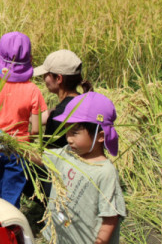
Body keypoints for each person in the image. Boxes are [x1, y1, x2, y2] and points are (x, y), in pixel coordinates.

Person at [32, 92, 126, 243]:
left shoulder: (105, 172)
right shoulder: (67, 153)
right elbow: (42, 158)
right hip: (59, 236)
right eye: (67, 131)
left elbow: (110, 217)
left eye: (75, 133)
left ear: (100, 136)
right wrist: (16, 149)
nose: (69, 138)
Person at [0, 31, 48, 208]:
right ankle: (10, 229)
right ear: (30, 59)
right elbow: (35, 129)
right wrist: (30, 144)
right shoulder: (33, 90)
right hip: (18, 151)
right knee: (11, 196)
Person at [23, 49, 93, 201]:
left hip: (66, 180)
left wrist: (19, 150)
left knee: (20, 166)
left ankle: (49, 205)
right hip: (86, 173)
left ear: (58, 78)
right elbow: (47, 115)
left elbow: (46, 160)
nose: (43, 79)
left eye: (46, 75)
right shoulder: (85, 101)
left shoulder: (58, 116)